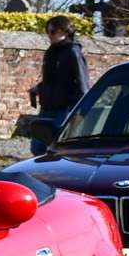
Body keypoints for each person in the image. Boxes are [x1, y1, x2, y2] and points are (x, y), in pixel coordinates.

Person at [27, 15, 90, 155]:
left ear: (64, 31)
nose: (49, 35)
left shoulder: (73, 52)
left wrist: (78, 111)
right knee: (37, 147)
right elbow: (55, 78)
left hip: (64, 109)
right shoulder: (52, 51)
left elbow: (82, 83)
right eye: (48, 32)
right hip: (47, 106)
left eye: (52, 32)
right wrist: (40, 88)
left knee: (56, 148)